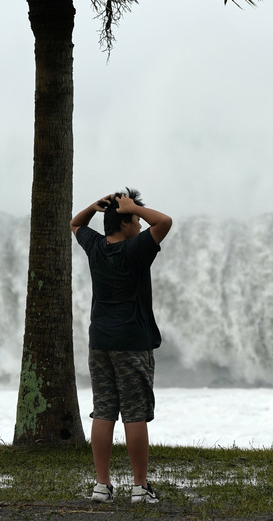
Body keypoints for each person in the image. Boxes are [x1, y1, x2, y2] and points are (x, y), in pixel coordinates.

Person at [70, 187, 173, 505]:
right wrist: (135, 208)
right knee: (135, 413)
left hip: (100, 341)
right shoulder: (135, 250)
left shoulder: (96, 247)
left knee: (103, 411)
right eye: (136, 221)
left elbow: (75, 224)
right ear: (127, 223)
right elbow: (164, 222)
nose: (141, 227)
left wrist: (95, 207)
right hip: (131, 343)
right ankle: (140, 489)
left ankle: (102, 486)